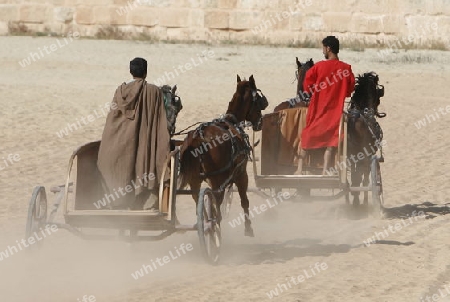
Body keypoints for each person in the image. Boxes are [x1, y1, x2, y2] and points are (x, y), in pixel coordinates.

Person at [97, 57, 171, 210]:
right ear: (145, 72)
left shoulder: (120, 91)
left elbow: (113, 119)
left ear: (131, 72)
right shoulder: (153, 91)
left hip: (117, 145)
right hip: (143, 149)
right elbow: (160, 123)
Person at [295, 36, 355, 175]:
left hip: (318, 110)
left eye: (323, 48)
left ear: (328, 48)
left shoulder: (318, 67)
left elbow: (307, 85)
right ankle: (325, 170)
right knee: (331, 140)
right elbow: (349, 89)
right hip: (335, 113)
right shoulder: (346, 68)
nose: (323, 51)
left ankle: (299, 169)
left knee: (308, 135)